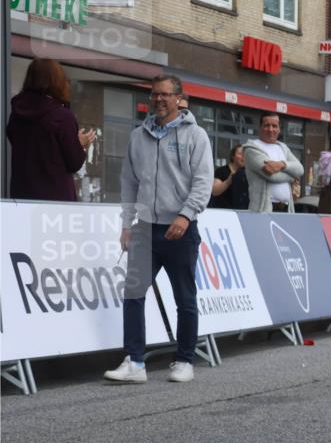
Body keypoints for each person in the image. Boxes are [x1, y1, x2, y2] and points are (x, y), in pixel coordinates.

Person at [103, 74, 213, 384]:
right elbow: (128, 182)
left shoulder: (197, 136)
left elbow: (203, 182)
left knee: (184, 299)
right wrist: (126, 224)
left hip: (180, 231)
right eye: (155, 94)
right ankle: (135, 362)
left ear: (179, 98)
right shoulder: (139, 136)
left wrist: (186, 215)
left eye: (165, 94)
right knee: (133, 294)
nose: (159, 99)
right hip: (145, 230)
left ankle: (184, 360)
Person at [6, 58, 96, 201]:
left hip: (22, 197)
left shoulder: (16, 114)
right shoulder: (62, 116)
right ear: (57, 81)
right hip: (55, 202)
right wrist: (80, 144)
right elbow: (74, 163)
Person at [244, 112, 304, 213]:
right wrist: (292, 176)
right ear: (260, 127)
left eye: (274, 126)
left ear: (279, 129)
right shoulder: (252, 148)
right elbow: (271, 176)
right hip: (263, 209)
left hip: (286, 208)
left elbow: (300, 169)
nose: (271, 129)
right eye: (267, 125)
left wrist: (282, 165)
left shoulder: (283, 147)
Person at [209, 144, 249, 210]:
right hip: (223, 212)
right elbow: (215, 191)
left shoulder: (247, 173)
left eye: (246, 155)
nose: (243, 157)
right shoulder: (221, 171)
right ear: (233, 156)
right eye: (240, 154)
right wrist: (229, 181)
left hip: (242, 212)